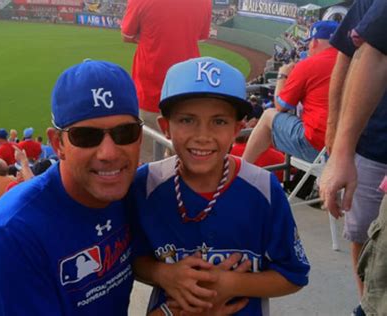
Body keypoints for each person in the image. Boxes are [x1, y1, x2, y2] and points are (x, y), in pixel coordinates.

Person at [130, 57, 310, 315]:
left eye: (219, 121)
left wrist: (230, 283)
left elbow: (294, 275)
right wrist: (161, 272)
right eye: (187, 120)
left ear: (237, 129)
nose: (203, 136)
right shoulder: (146, 184)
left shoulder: (263, 188)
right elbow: (131, 259)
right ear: (165, 126)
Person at [0, 60, 142, 315]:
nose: (109, 153)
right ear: (57, 143)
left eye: (125, 133)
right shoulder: (12, 235)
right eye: (86, 136)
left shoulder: (132, 191)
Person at [319, 1, 387, 314]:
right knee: (365, 237)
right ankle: (366, 303)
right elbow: (356, 55)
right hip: (373, 142)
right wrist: (338, 142)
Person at [242, 21, 339, 164]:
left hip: (320, 148)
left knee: (269, 115)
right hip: (352, 149)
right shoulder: (352, 60)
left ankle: (242, 168)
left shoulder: (308, 64)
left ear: (315, 42)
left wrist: (282, 76)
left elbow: (281, 105)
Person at [121, 0, 211, 132]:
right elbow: (200, 37)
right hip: (187, 90)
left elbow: (127, 36)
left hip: (149, 91)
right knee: (179, 150)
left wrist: (149, 35)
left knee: (148, 150)